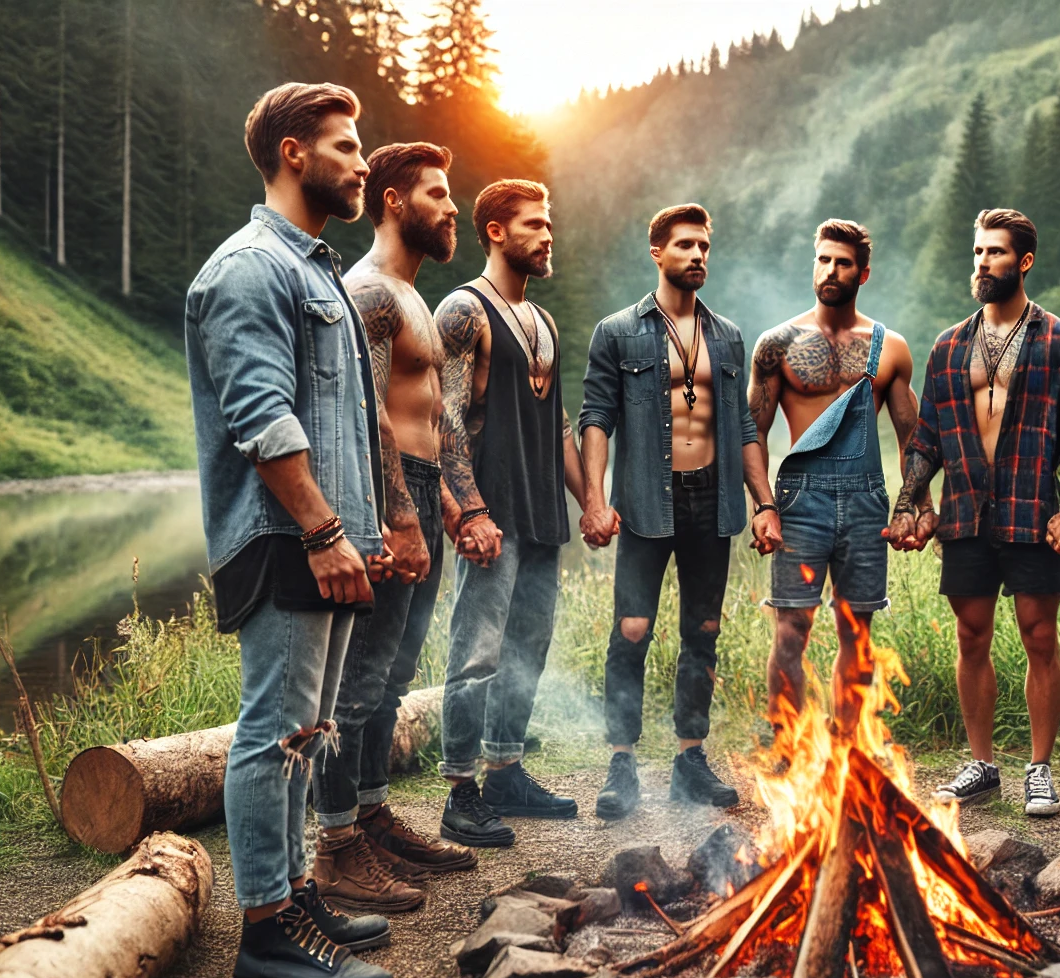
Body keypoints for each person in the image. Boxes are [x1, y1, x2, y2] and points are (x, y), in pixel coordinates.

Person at [184, 81, 397, 978]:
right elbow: (260, 417)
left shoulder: (316, 270)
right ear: (293, 154)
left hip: (329, 538)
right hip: (284, 539)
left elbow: (346, 420)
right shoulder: (249, 269)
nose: (361, 161)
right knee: (272, 733)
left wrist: (368, 527)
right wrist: (320, 530)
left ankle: (298, 897)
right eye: (346, 146)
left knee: (310, 734)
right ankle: (266, 936)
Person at [311, 142, 479, 910]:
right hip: (383, 499)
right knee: (359, 682)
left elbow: (432, 414)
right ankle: (336, 845)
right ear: (392, 202)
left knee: (394, 676)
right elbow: (370, 411)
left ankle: (373, 815)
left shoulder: (413, 296)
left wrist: (452, 500)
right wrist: (400, 515)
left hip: (418, 494)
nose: (451, 210)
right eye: (439, 195)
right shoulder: (371, 293)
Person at [886, 208, 1060, 818]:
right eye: (977, 252)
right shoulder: (949, 345)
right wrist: (909, 503)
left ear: (1023, 261)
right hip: (966, 516)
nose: (982, 263)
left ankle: (1039, 768)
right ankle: (982, 764)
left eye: (995, 253)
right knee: (970, 635)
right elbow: (927, 439)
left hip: (1032, 510)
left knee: (1040, 636)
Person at [578, 204, 782, 820]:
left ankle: (690, 760)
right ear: (657, 252)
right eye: (686, 245)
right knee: (632, 630)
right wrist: (594, 499)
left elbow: (743, 424)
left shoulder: (726, 335)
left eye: (704, 247)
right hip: (644, 500)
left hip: (710, 500)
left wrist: (764, 502)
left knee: (704, 632)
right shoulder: (617, 331)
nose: (698, 256)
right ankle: (621, 764)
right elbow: (596, 418)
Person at [432, 179, 591, 844]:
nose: (547, 234)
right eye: (533, 224)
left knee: (527, 647)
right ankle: (459, 791)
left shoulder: (544, 321)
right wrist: (469, 512)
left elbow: (557, 425)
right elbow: (442, 418)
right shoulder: (464, 311)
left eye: (548, 223)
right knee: (477, 652)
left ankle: (506, 771)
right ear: (495, 230)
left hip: (540, 511)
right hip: (491, 514)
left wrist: (593, 503)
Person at [749, 219, 917, 735]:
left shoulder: (890, 347)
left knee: (855, 630)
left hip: (867, 498)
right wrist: (763, 507)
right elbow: (750, 433)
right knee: (792, 628)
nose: (831, 270)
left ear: (862, 273)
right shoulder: (777, 343)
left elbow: (912, 437)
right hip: (800, 500)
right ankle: (788, 746)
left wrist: (912, 504)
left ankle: (845, 752)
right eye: (823, 259)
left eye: (843, 262)